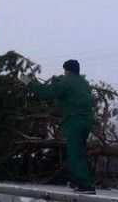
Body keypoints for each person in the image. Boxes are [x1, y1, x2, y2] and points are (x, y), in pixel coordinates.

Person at [23, 59, 96, 194]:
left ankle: (87, 186)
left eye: (65, 70)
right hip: (86, 121)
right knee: (78, 152)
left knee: (75, 154)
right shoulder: (83, 83)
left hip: (75, 121)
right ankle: (78, 181)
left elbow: (48, 92)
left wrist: (30, 84)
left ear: (68, 70)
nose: (64, 72)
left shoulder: (68, 82)